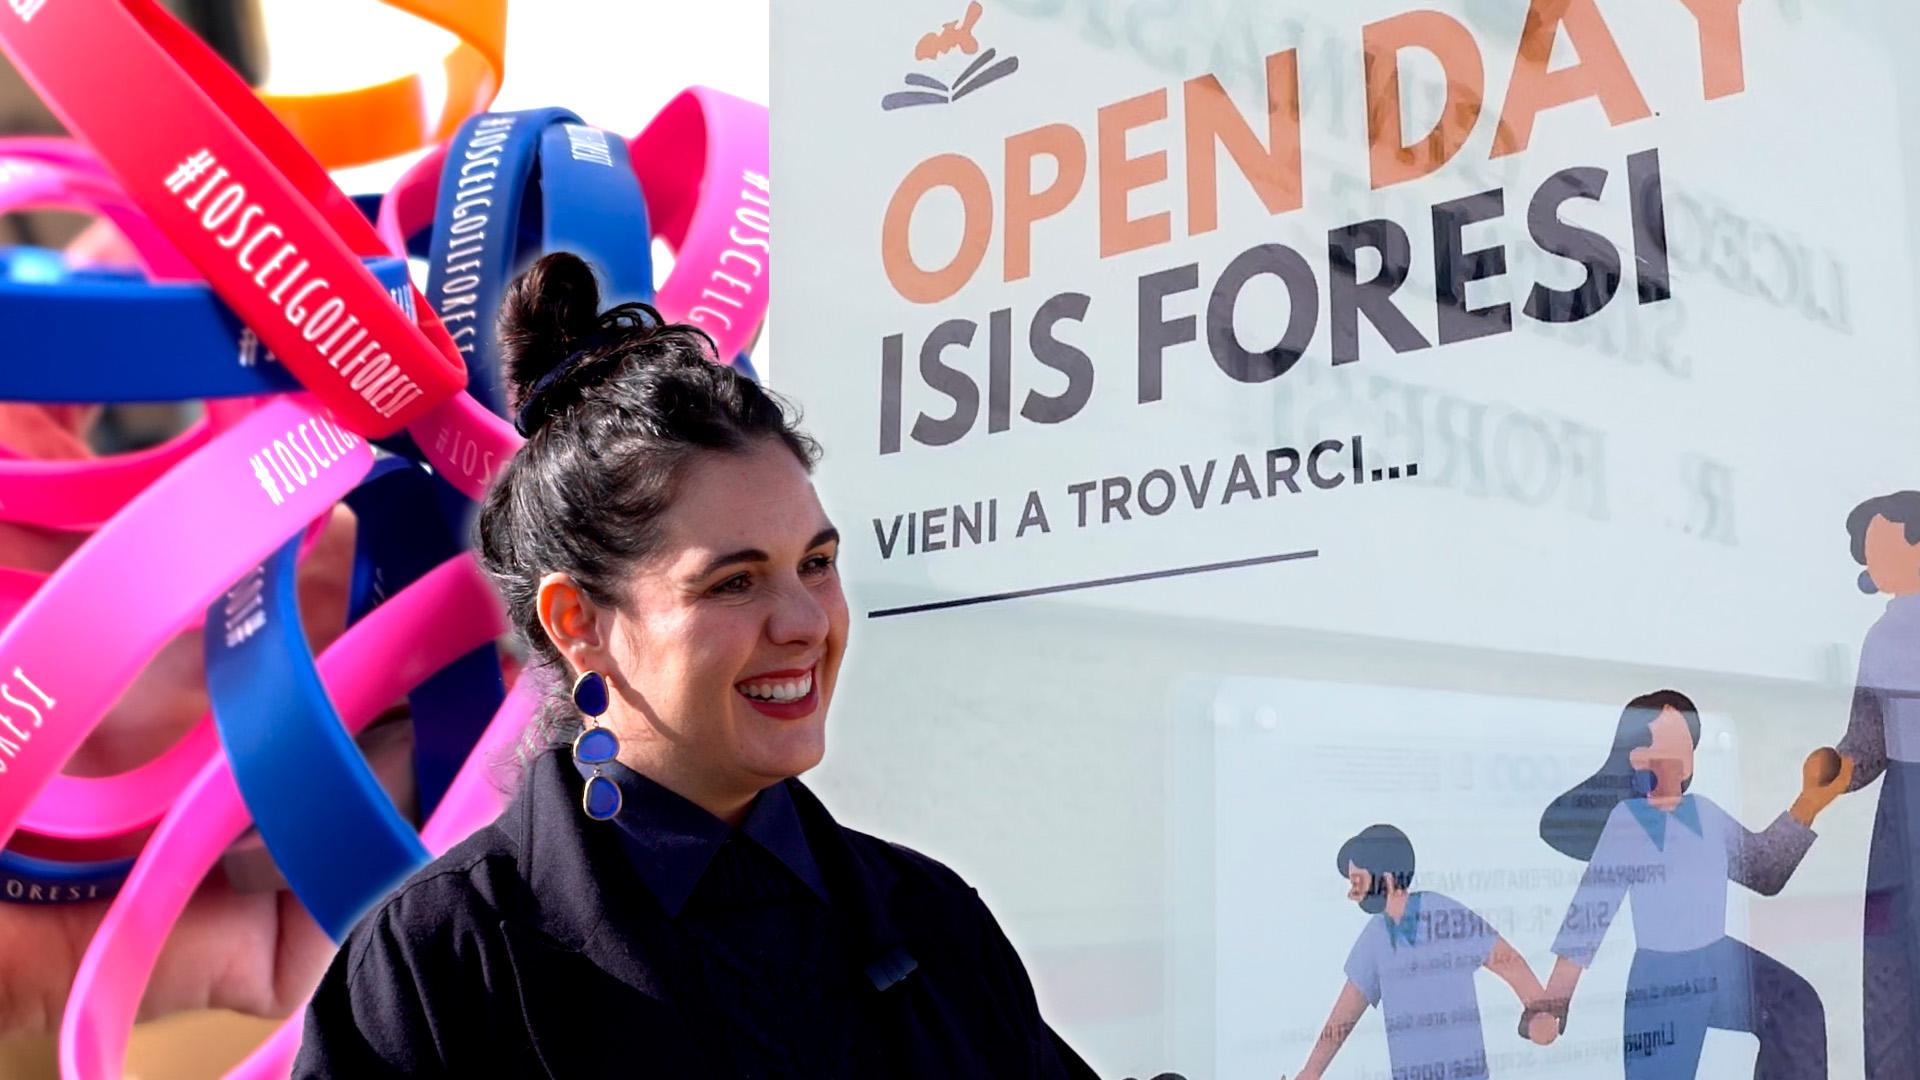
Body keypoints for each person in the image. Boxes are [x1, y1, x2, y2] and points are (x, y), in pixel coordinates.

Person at [292, 253, 1096, 1078]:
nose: (805, 623)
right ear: (578, 623)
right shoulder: (434, 971)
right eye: (734, 582)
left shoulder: (936, 923)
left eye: (817, 564)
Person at [1531, 690, 1848, 1079]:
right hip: (1662, 980)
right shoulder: (1626, 822)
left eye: (1688, 743)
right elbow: (1590, 912)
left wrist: (1809, 802)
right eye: (1673, 740)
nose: (1685, 754)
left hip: (1720, 962)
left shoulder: (1705, 813)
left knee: (1797, 1006)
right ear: (1637, 755)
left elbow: (1764, 871)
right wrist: (1554, 1001)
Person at [1294, 824, 1551, 1080]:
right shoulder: (1376, 936)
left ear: (1386, 877)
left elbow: (1507, 960)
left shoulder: (1443, 913)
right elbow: (1344, 1014)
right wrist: (1312, 1071)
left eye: (1357, 881)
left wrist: (1539, 1011)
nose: (1353, 893)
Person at [1833, 490, 1920, 1078]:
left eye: (1879, 547)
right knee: (1892, 974)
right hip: (1900, 817)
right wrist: (1826, 775)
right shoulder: (1881, 638)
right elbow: (1866, 748)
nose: (1870, 565)